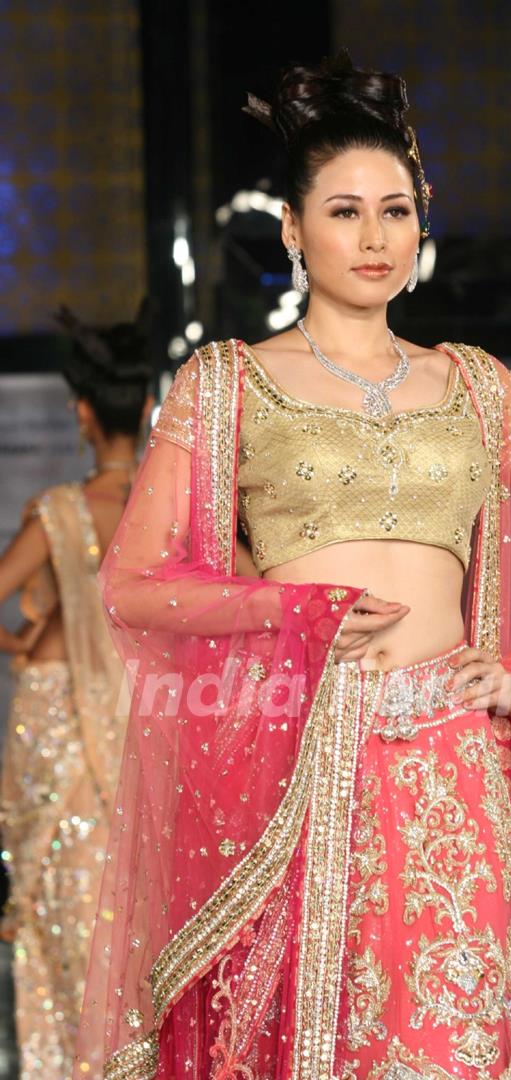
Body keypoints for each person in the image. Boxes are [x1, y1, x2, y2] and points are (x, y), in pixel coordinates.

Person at [76, 53, 511, 1080]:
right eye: (344, 212)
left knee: (456, 1042)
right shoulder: (228, 383)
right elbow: (133, 583)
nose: (374, 238)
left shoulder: (476, 383)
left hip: (449, 769)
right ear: (293, 230)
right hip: (301, 761)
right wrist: (291, 609)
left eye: (396, 210)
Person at [0, 302, 153, 1079]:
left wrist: (30, 639)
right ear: (152, 407)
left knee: (68, 932)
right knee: (141, 946)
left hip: (60, 746)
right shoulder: (181, 521)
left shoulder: (62, 513)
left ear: (82, 411)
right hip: (153, 743)